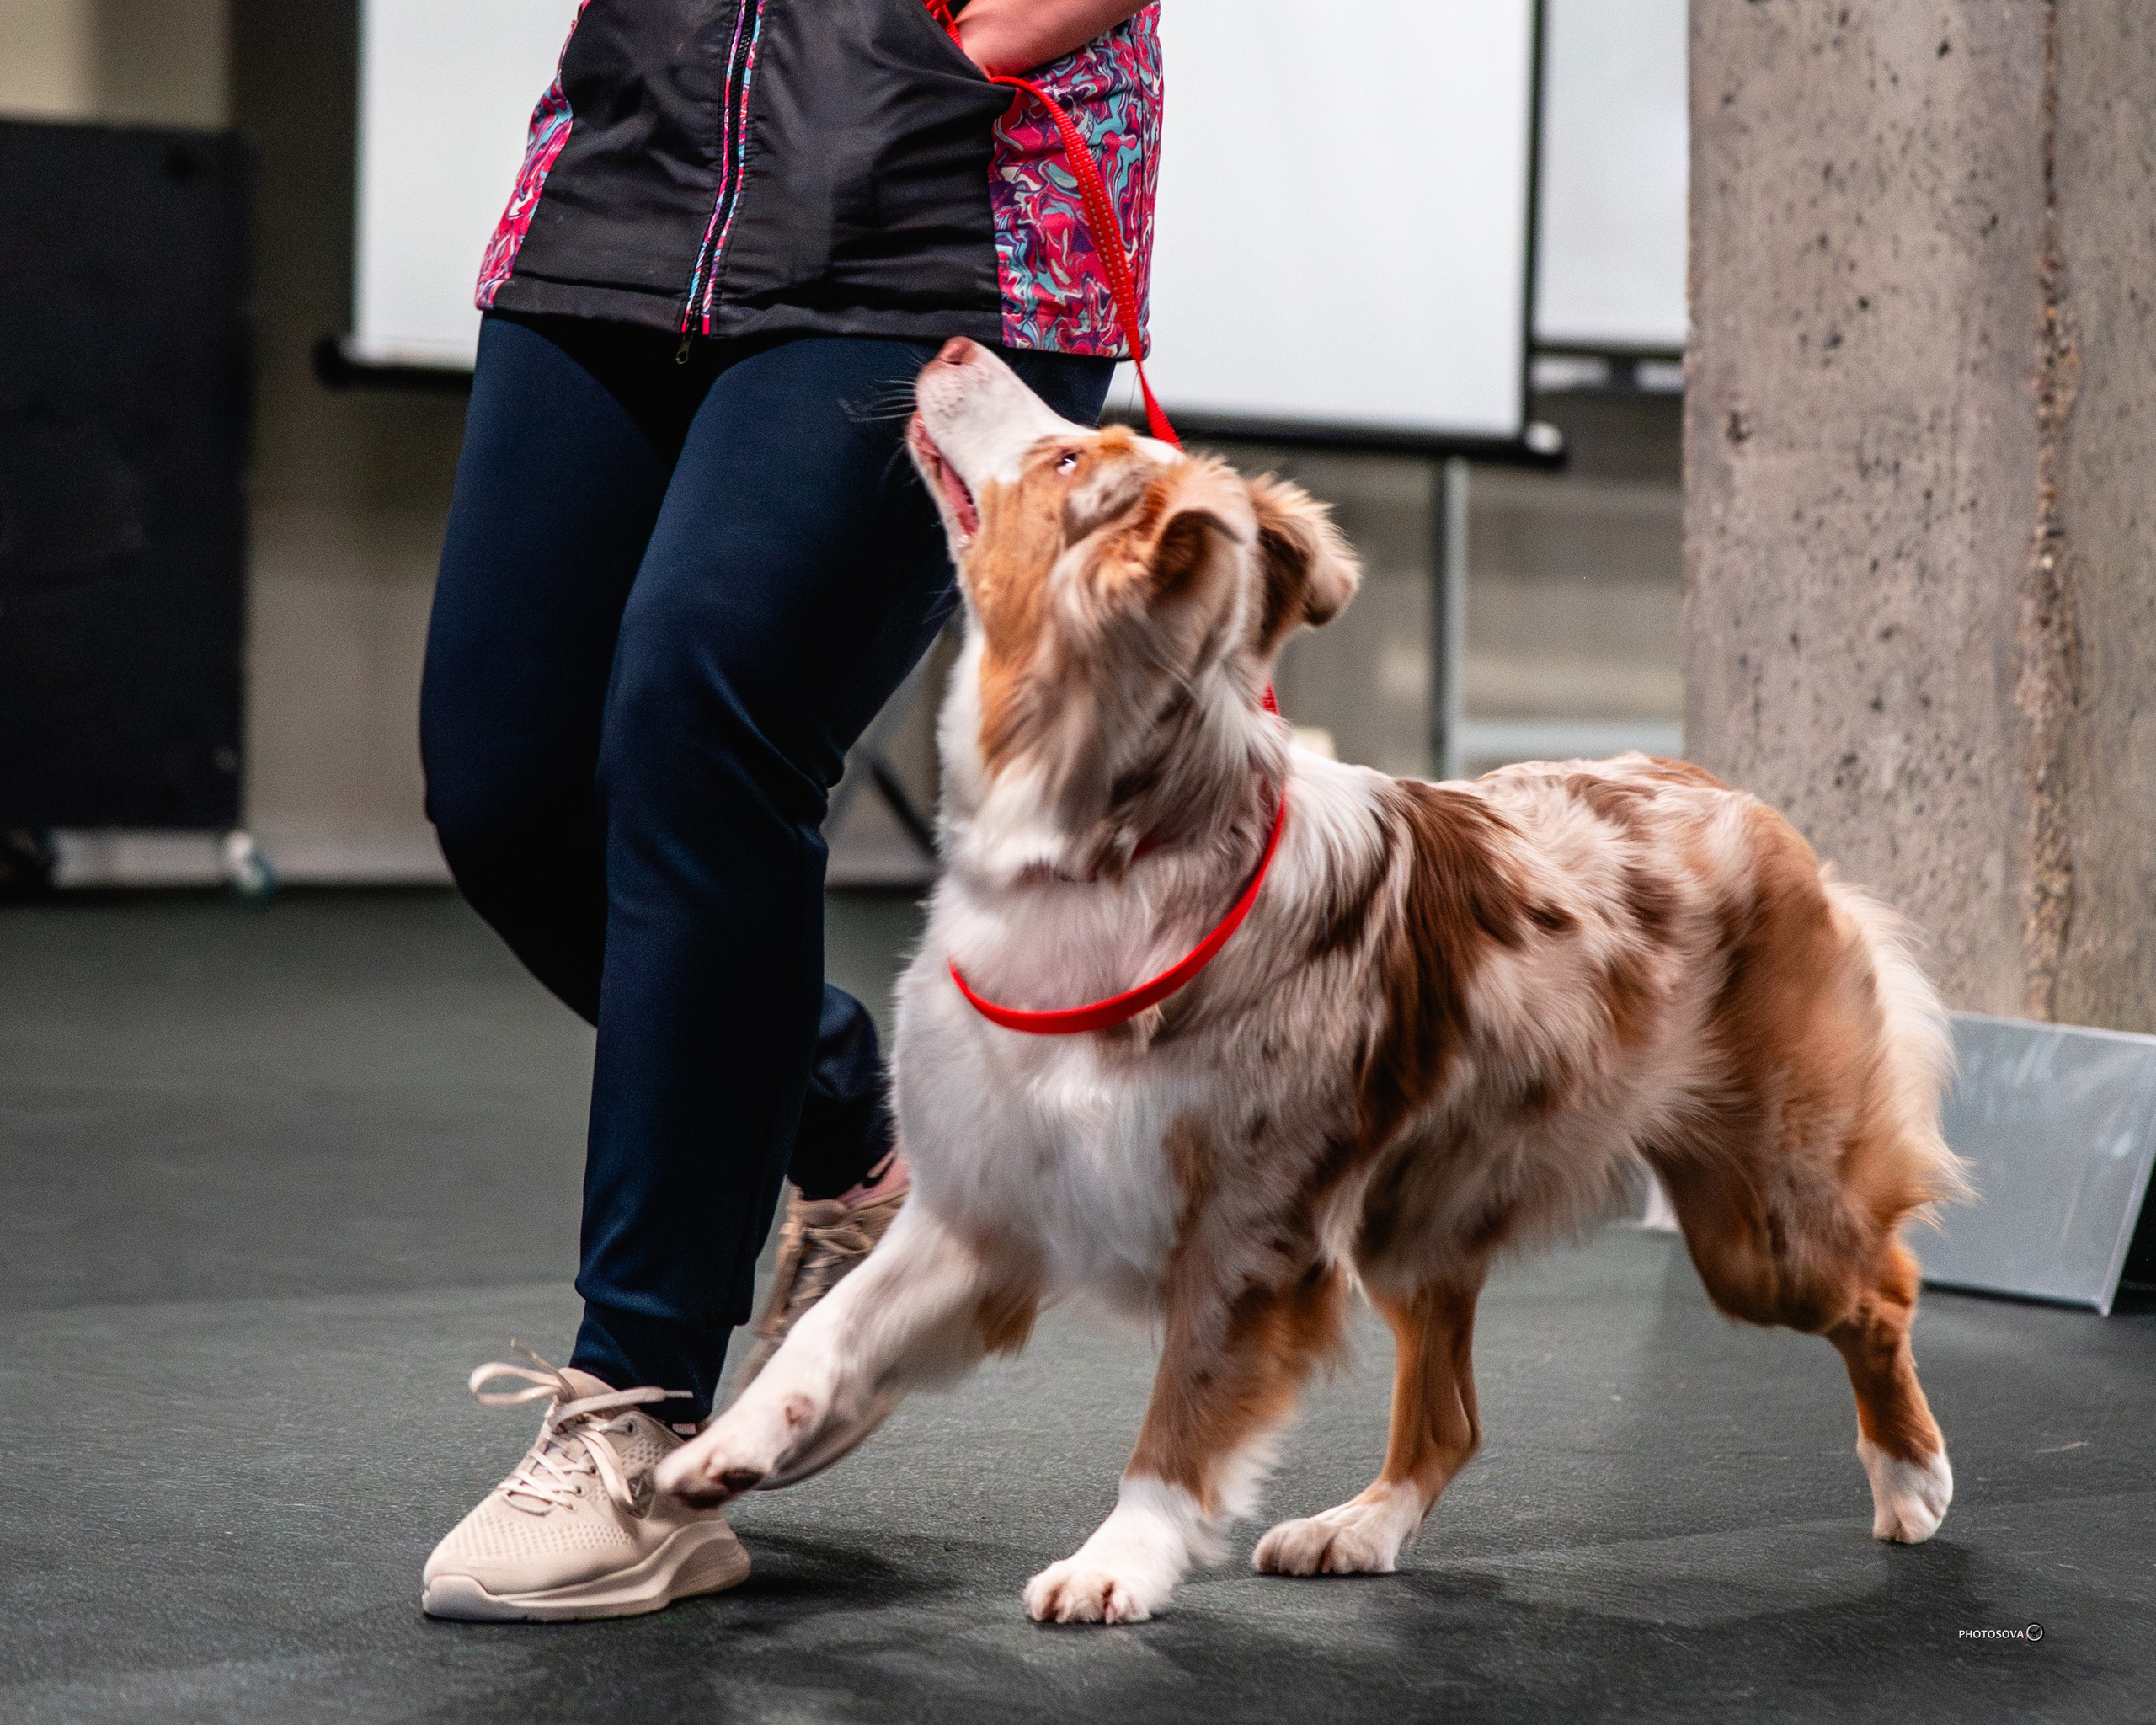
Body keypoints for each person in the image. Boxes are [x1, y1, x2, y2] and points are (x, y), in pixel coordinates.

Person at [414, 0, 1164, 1621]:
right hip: (631, 177)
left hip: (937, 198)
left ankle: (644, 1422)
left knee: (703, 721)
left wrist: (951, 57)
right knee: (504, 787)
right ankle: (853, 1127)